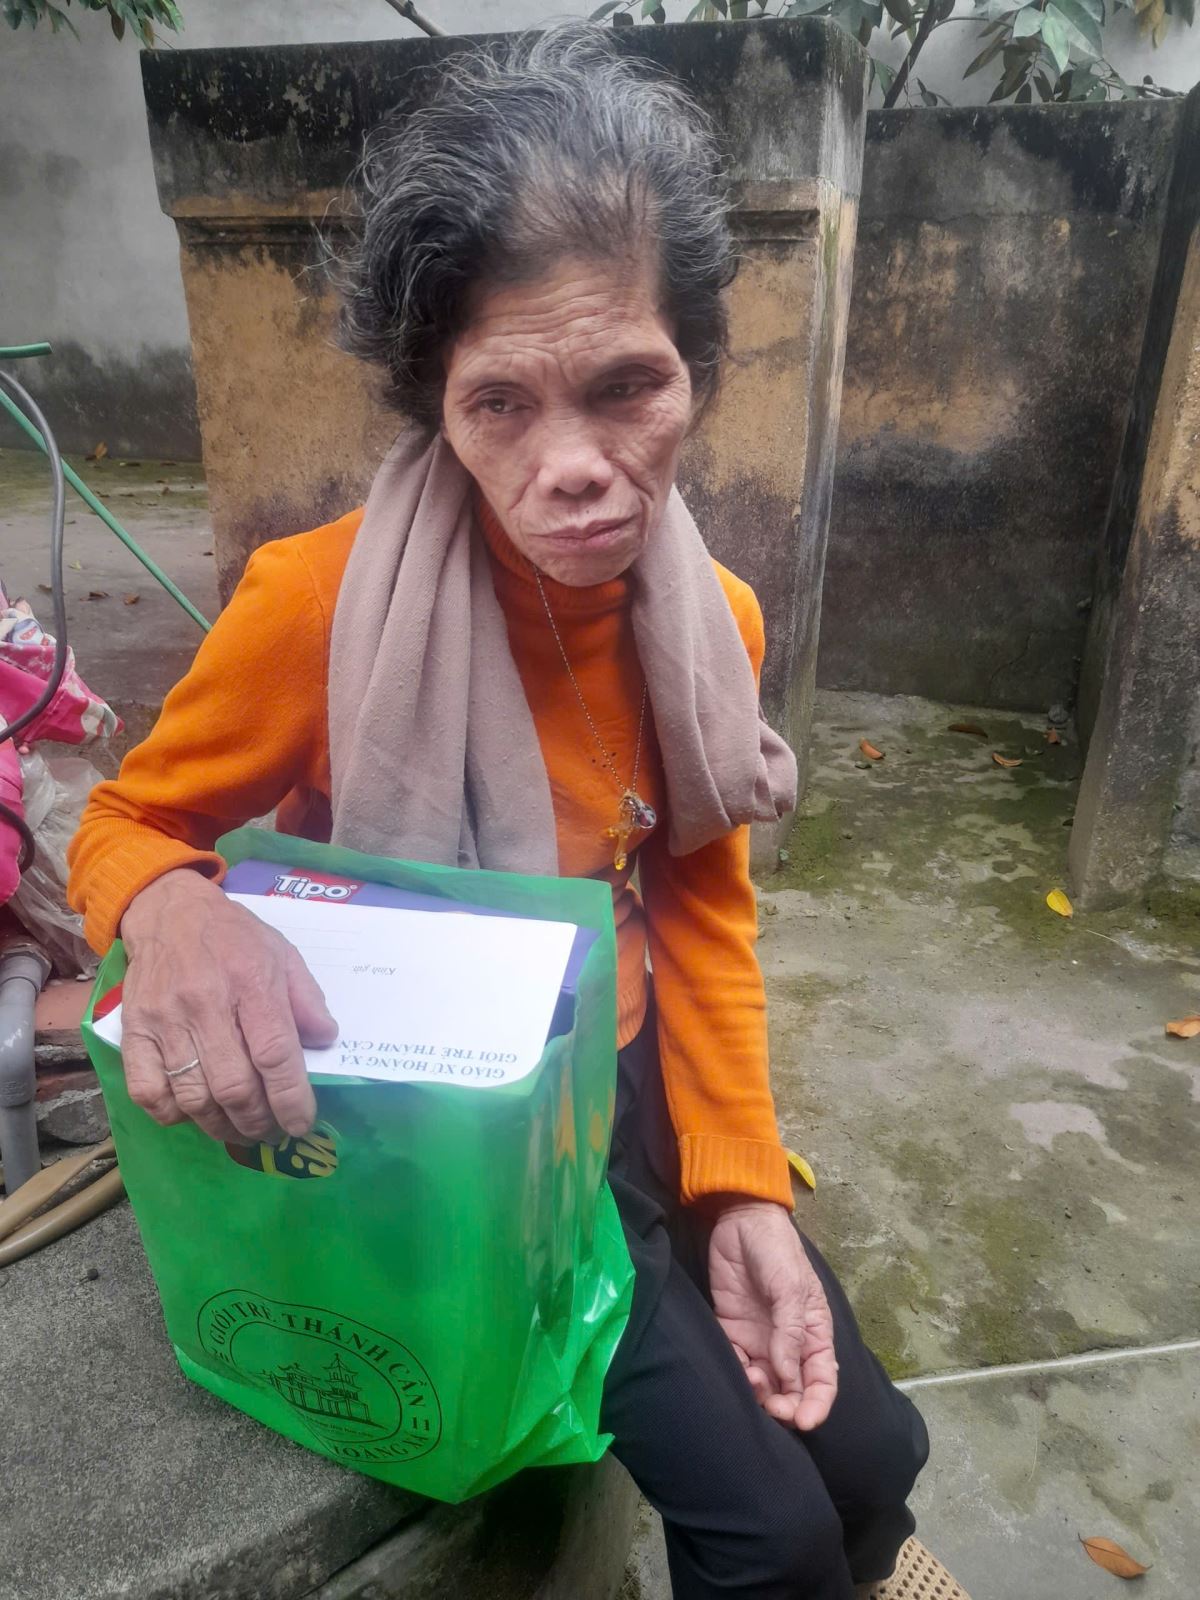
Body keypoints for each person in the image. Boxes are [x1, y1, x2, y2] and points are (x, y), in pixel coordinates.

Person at [68, 27, 965, 1600]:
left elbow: (701, 910)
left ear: (697, 372)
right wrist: (173, 906)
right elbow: (123, 821)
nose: (575, 470)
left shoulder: (714, 624)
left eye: (628, 388)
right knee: (766, 1541)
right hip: (466, 1144)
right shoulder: (315, 609)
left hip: (640, 1090)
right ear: (435, 405)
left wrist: (742, 1184)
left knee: (873, 1446)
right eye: (501, 405)